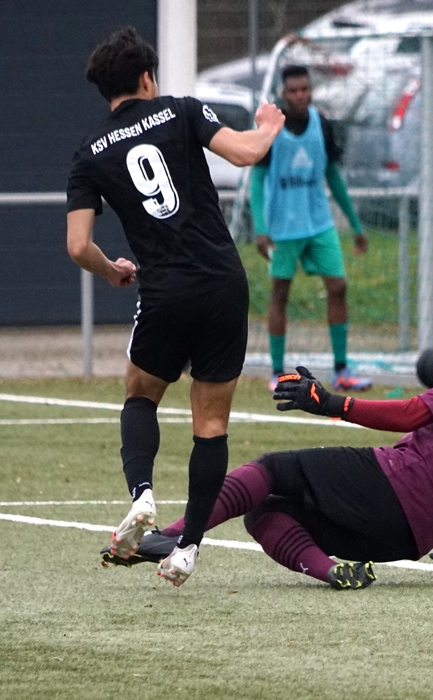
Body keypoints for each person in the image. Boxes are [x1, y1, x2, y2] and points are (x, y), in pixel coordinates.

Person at [101, 309, 433, 590]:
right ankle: (331, 571)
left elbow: (413, 413)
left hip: (400, 486)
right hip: (410, 538)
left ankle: (176, 535)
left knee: (270, 469)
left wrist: (330, 403)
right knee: (262, 511)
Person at [67, 27, 285, 587]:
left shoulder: (89, 154)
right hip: (221, 284)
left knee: (140, 392)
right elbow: (245, 153)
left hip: (165, 291)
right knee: (210, 423)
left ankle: (142, 496)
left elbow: (76, 246)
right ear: (147, 78)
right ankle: (187, 548)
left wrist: (112, 269)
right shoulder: (182, 111)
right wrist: (267, 126)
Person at [249, 64, 372, 394]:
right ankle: (277, 371)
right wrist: (261, 228)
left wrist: (356, 224)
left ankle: (342, 369)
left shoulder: (324, 125)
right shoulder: (273, 129)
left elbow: (333, 176)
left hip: (319, 223)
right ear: (283, 94)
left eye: (305, 89)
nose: (300, 95)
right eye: (293, 90)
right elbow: (258, 181)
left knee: (338, 287)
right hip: (284, 228)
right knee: (280, 294)